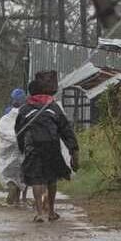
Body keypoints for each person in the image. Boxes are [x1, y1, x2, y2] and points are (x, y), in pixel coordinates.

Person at [15, 73, 78, 223]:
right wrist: (73, 149)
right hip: (52, 146)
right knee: (51, 178)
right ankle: (51, 211)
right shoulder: (53, 107)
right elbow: (66, 129)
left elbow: (19, 131)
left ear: (30, 93)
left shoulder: (25, 109)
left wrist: (22, 148)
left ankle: (39, 213)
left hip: (33, 146)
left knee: (37, 179)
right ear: (44, 91)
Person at [0, 87, 28, 204]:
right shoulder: (26, 112)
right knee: (21, 173)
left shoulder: (7, 112)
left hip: (7, 149)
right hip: (20, 147)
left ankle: (11, 188)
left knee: (7, 173)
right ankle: (21, 199)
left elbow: (3, 129)